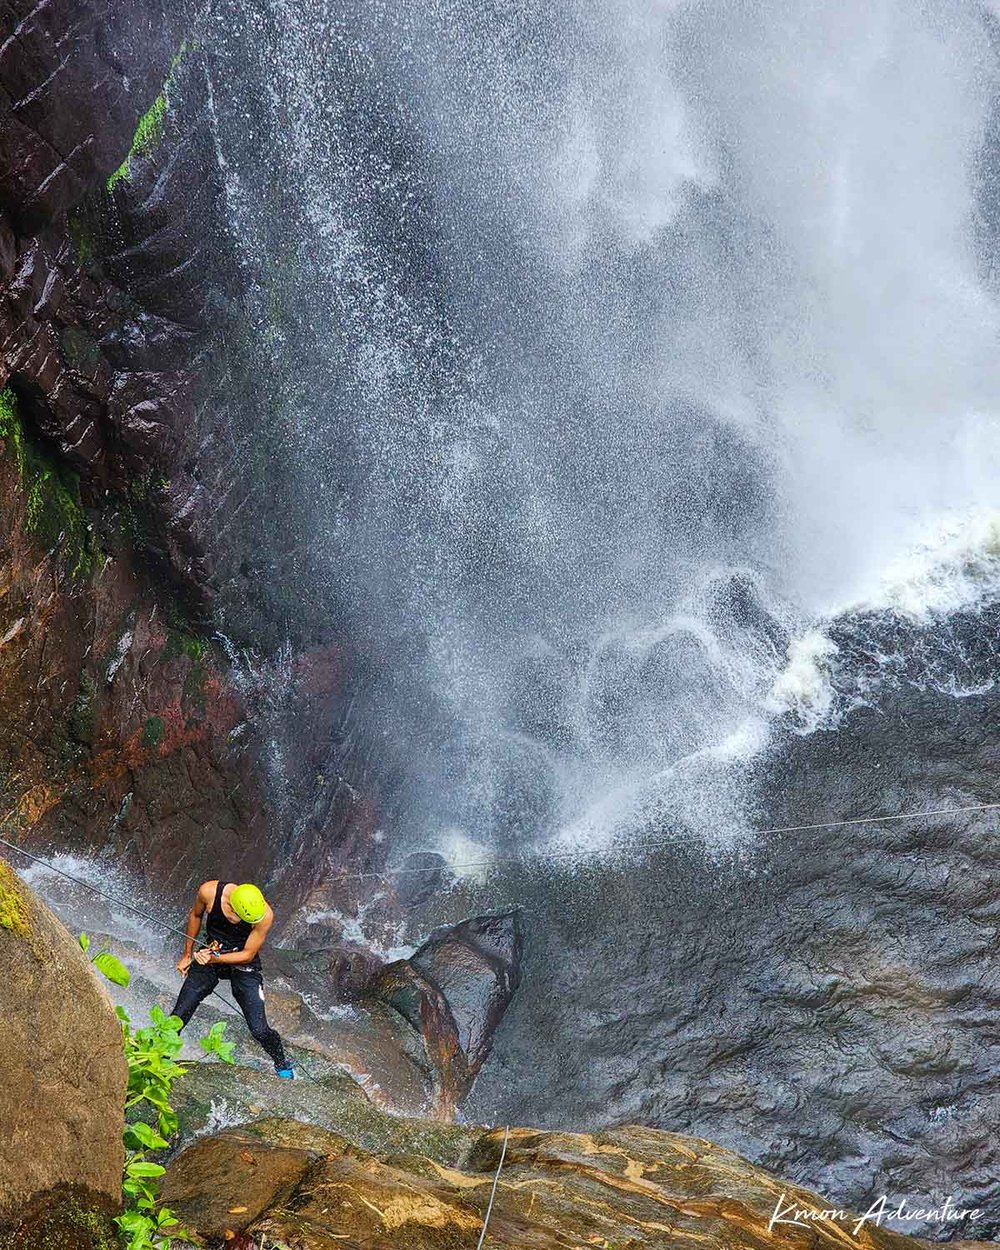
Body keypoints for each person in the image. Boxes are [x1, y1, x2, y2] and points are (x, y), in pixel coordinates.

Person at [171, 879, 293, 1079]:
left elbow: (247, 954)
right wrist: (187, 954)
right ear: (232, 907)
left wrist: (213, 959)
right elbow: (195, 915)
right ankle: (159, 1055)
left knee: (259, 1029)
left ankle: (282, 1063)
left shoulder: (264, 915)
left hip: (242, 962)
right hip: (212, 952)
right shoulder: (209, 892)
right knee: (179, 1015)